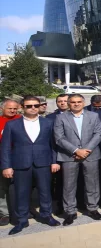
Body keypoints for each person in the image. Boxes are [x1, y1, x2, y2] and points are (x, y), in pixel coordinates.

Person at [1, 96, 61, 234]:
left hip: (43, 162)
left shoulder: (48, 123)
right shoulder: (12, 125)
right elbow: (5, 148)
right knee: (21, 193)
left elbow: (53, 145)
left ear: (39, 106)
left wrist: (54, 161)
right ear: (22, 108)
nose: (33, 108)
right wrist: (6, 166)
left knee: (45, 191)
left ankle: (46, 215)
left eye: (35, 105)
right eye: (29, 106)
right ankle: (22, 220)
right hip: (21, 163)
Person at [53, 94, 101, 226]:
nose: (76, 104)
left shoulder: (93, 116)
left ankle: (93, 208)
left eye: (79, 102)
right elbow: (59, 138)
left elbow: (98, 134)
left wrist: (86, 151)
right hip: (69, 155)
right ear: (69, 104)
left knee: (92, 183)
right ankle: (70, 212)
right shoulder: (60, 117)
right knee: (69, 185)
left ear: (83, 102)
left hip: (90, 154)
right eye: (73, 102)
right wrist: (76, 151)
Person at [0, 99, 21, 226]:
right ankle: (4, 213)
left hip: (19, 159)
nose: (13, 111)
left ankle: (20, 211)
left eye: (15, 108)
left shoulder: (21, 120)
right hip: (2, 159)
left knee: (20, 187)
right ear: (3, 108)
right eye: (10, 108)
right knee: (2, 187)